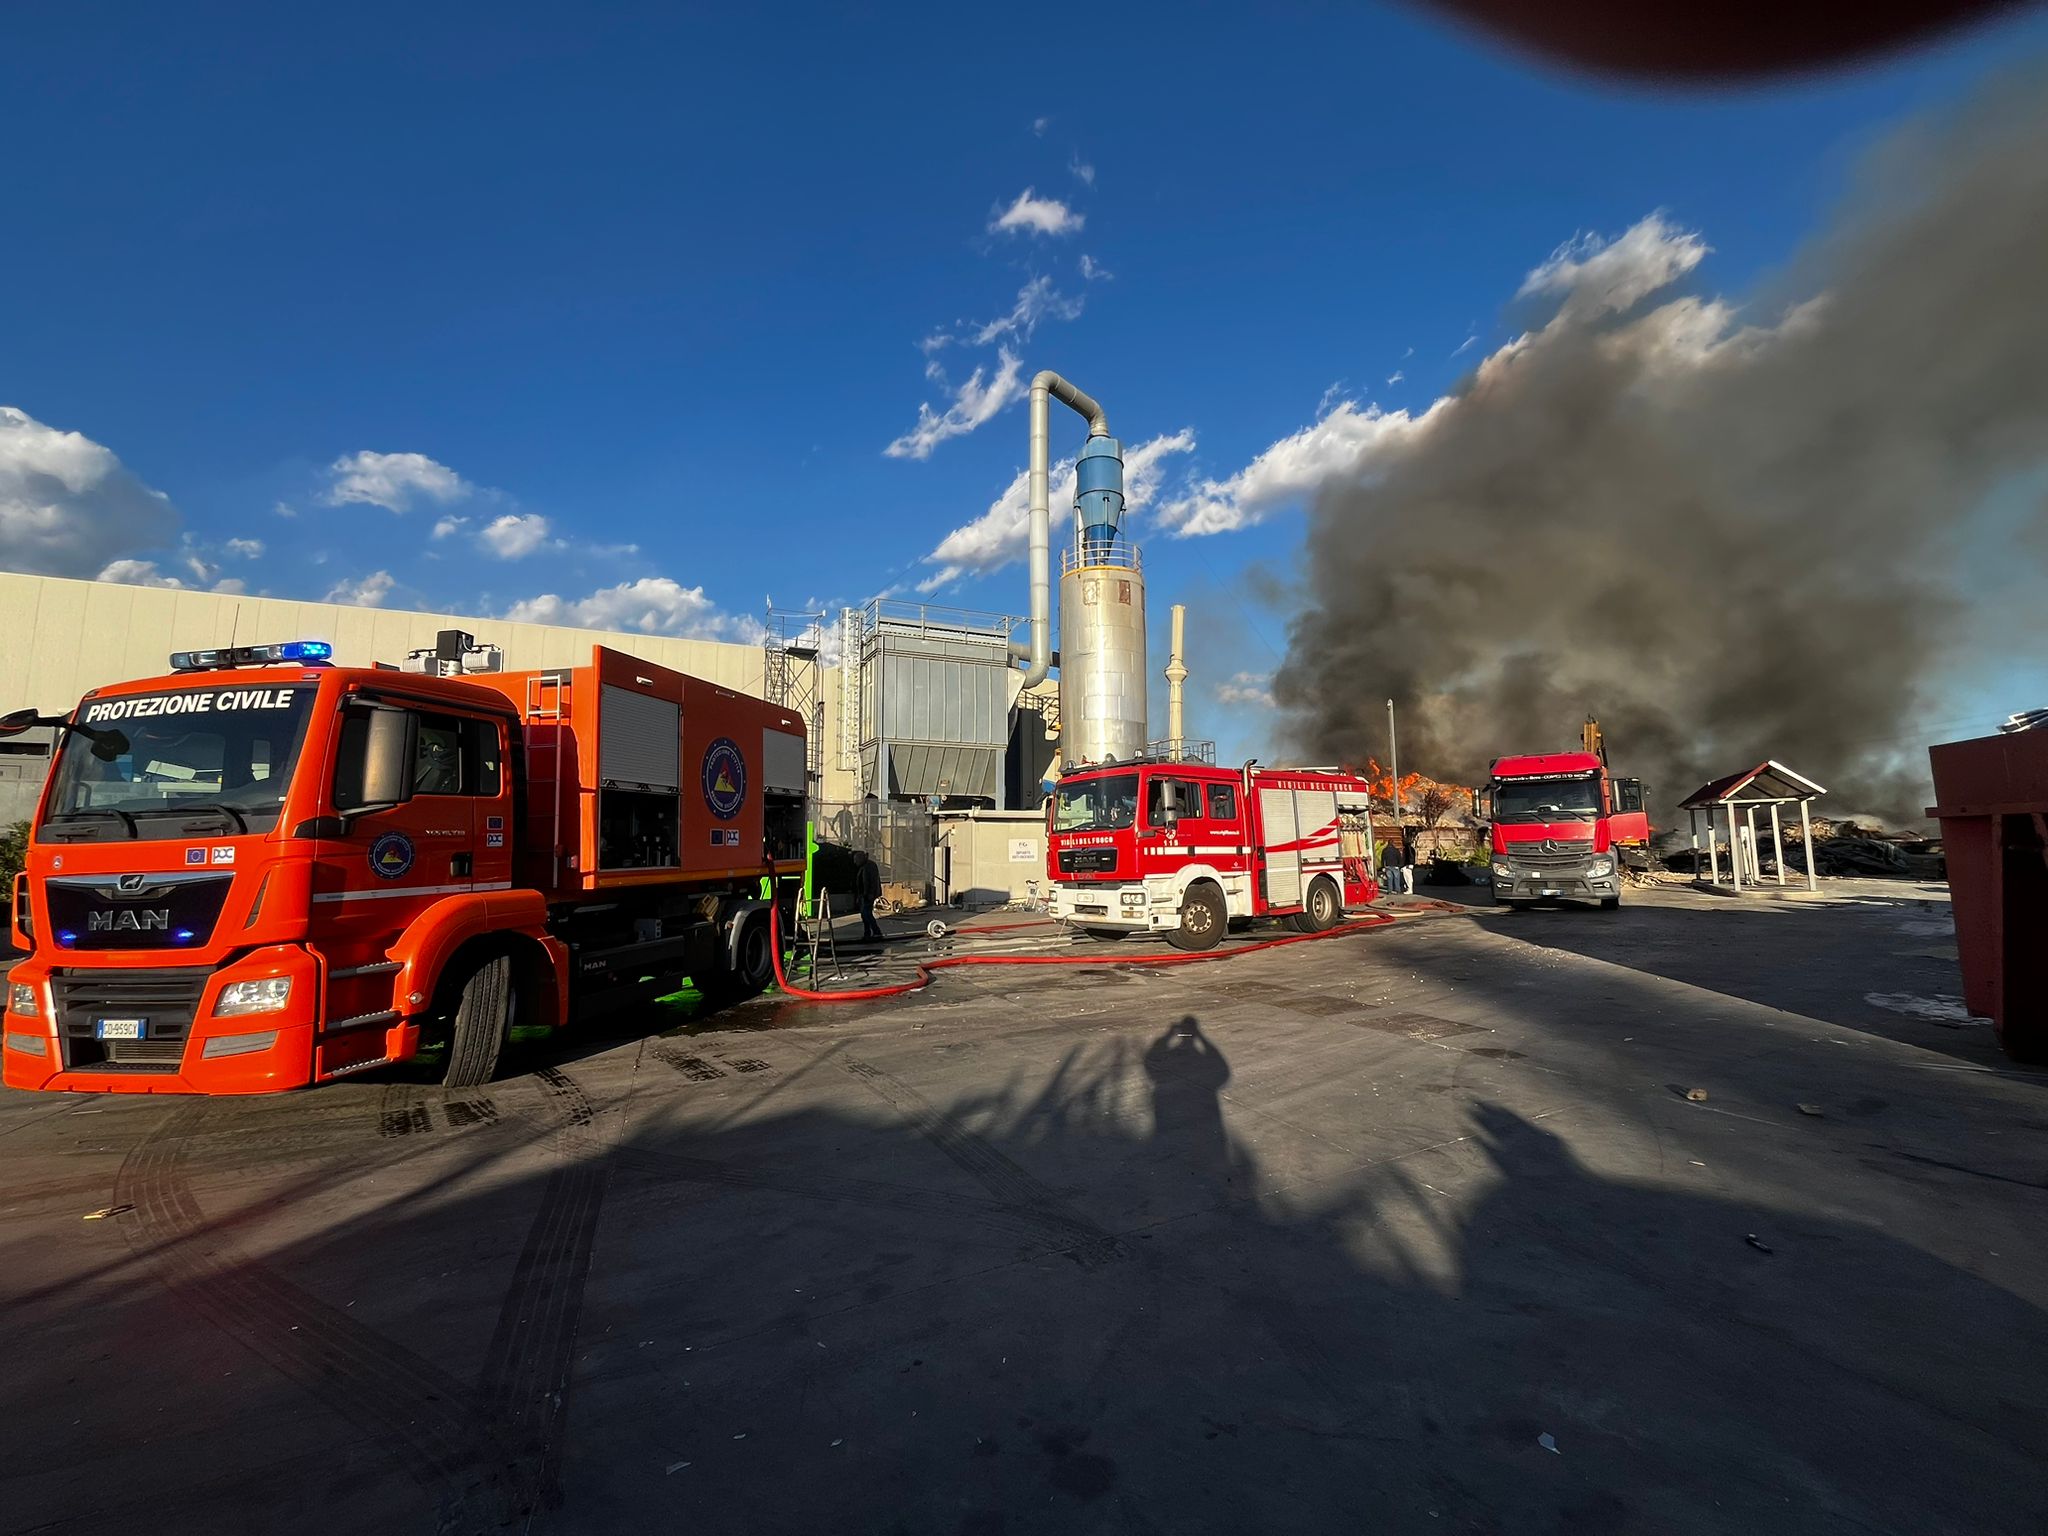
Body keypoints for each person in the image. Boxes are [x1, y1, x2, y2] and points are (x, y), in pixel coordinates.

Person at [852, 849, 885, 941]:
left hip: (868, 895)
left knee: (867, 914)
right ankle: (868, 933)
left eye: (856, 860)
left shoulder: (869, 866)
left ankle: (876, 932)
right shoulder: (866, 866)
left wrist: (868, 894)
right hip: (865, 894)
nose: (855, 862)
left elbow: (870, 882)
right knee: (865, 914)